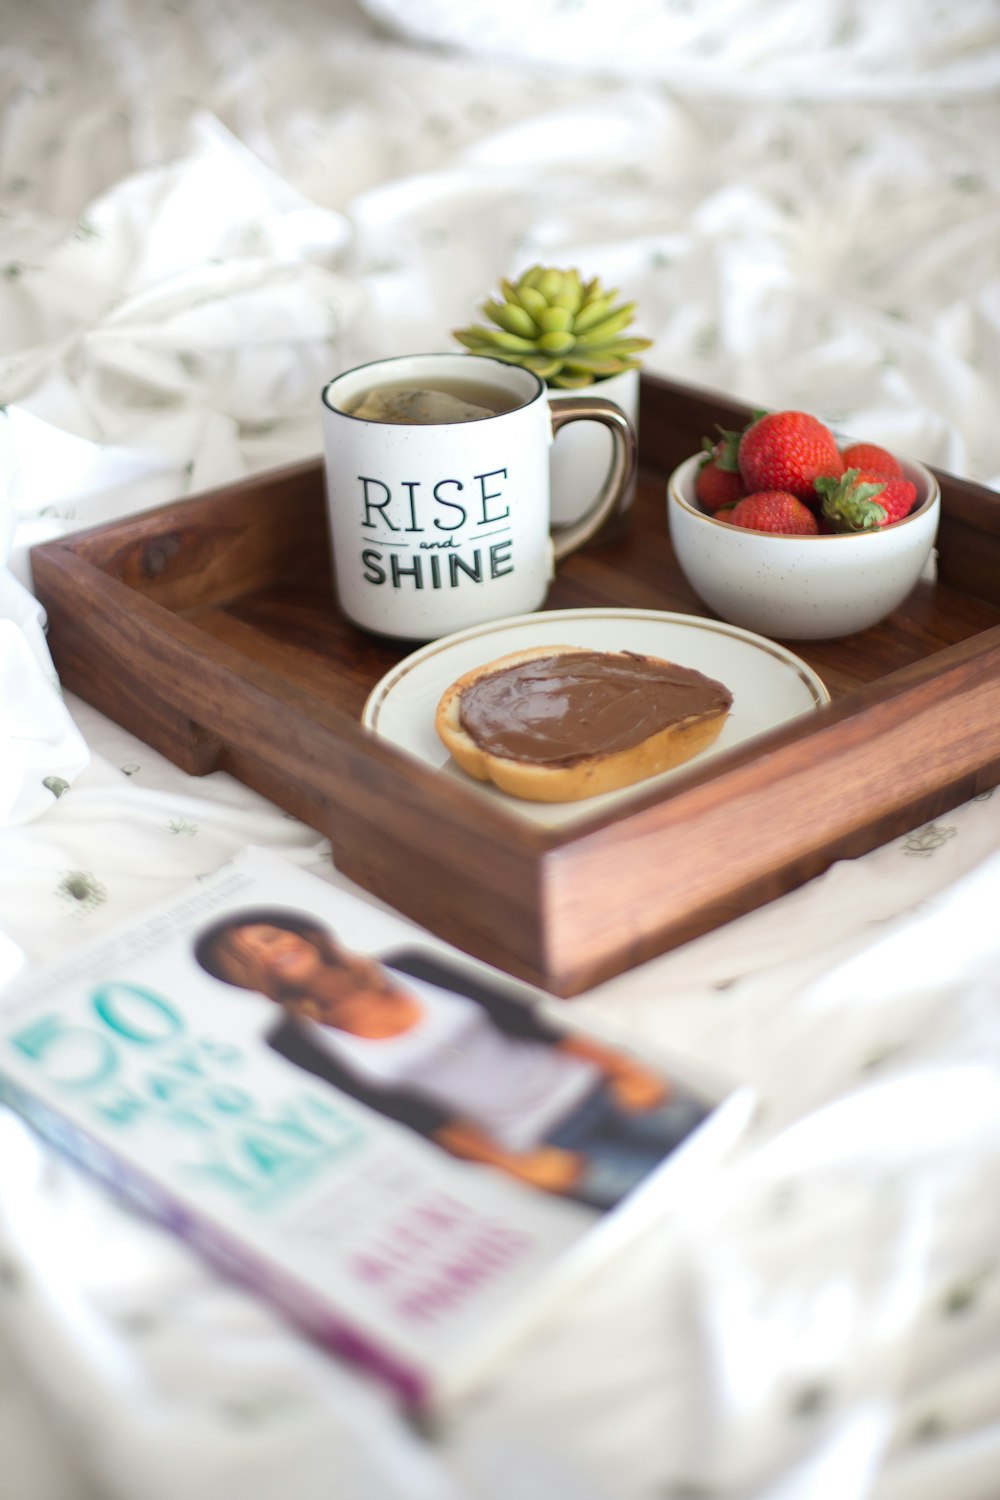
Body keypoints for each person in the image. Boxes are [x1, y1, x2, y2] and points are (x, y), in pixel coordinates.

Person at [193, 908, 709, 1211]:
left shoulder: (409, 963)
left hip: (608, 1090)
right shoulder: (294, 1042)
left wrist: (623, 1069)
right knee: (679, 1214)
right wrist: (516, 1168)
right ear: (245, 981)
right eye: (245, 959)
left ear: (304, 935)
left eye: (269, 937)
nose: (266, 952)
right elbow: (412, 1116)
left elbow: (529, 1020)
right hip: (542, 1148)